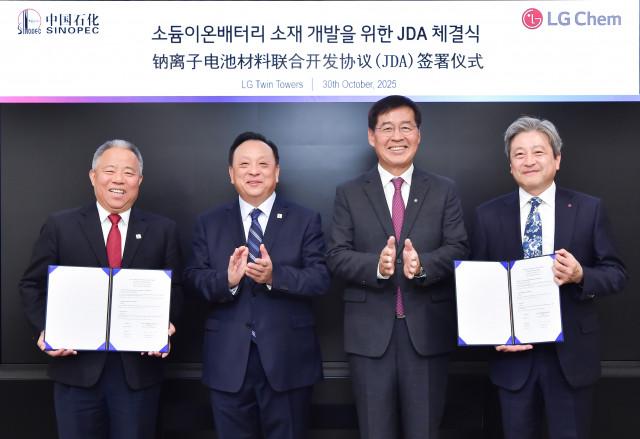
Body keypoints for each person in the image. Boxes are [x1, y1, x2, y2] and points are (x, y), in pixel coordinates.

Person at [471, 116, 627, 439]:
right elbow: (478, 288)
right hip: (513, 361)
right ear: (510, 166)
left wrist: (581, 275)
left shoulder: (588, 209)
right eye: (519, 154)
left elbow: (616, 273)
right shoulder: (487, 215)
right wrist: (492, 333)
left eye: (538, 152)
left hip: (571, 359)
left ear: (557, 159)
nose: (529, 160)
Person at [326, 95, 469, 439]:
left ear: (419, 135)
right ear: (371, 136)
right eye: (387, 128)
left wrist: (423, 266)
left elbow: (459, 247)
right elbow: (336, 254)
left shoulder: (443, 190)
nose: (397, 136)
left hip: (427, 335)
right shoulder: (349, 192)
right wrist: (376, 266)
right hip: (370, 337)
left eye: (406, 127)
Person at [19, 139, 182, 439]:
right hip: (75, 372)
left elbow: (177, 288)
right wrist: (46, 330)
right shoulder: (60, 225)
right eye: (109, 170)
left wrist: (165, 325)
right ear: (93, 176)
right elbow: (31, 285)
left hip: (137, 375)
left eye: (128, 172)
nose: (118, 179)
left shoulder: (163, 229)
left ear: (139, 180)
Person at [184, 131, 330, 439]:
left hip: (288, 360)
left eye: (263, 164)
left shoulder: (305, 219)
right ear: (231, 173)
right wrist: (227, 280)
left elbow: (320, 278)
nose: (254, 171)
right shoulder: (209, 223)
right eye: (244, 164)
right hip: (227, 362)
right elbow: (193, 279)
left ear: (277, 172)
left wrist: (275, 277)